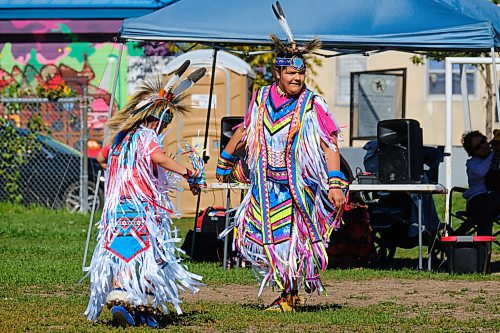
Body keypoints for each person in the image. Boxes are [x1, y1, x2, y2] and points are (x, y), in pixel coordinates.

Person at [216, 1, 348, 312]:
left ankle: (290, 296)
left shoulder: (313, 104)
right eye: (290, 73)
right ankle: (287, 292)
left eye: (300, 74)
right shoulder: (261, 97)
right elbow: (246, 132)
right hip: (266, 187)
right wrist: (225, 163)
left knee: (293, 241)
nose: (297, 79)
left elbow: (330, 143)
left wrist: (335, 182)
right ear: (278, 72)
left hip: (299, 188)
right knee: (269, 240)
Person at [84, 73, 205, 327]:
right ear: (157, 120)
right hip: (142, 208)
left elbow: (101, 159)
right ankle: (144, 304)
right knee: (152, 256)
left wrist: (122, 173)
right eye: (165, 124)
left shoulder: (121, 137)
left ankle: (120, 300)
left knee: (123, 252)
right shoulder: (147, 136)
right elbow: (157, 158)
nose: (164, 130)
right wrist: (187, 171)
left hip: (117, 208)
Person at [453, 130, 500, 236]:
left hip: (493, 201)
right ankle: (483, 249)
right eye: (478, 147)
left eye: (483, 142)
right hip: (477, 200)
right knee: (486, 210)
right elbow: (481, 172)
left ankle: (462, 231)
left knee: (488, 208)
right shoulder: (472, 163)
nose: (482, 146)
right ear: (473, 152)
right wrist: (495, 155)